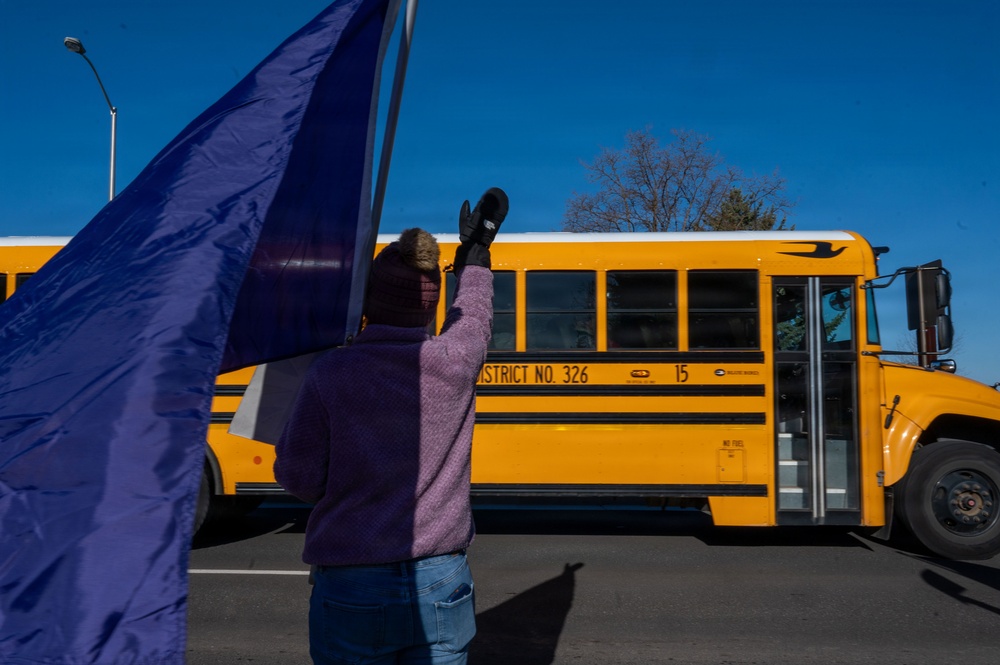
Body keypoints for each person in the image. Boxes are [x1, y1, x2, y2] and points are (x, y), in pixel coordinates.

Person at [274, 188, 508, 665]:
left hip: (353, 579)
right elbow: (475, 319)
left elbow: (299, 480)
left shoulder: (331, 373)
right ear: (430, 307)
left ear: (368, 302)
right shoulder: (455, 361)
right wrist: (474, 257)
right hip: (442, 578)